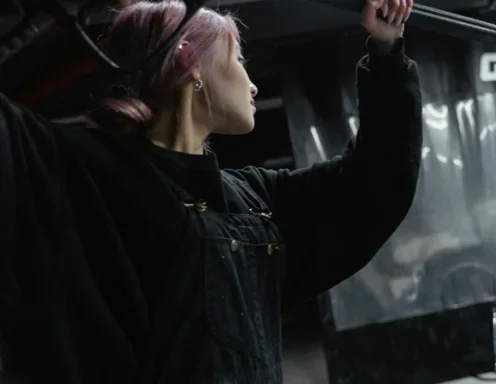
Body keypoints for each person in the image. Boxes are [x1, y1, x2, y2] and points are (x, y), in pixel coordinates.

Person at [0, 0, 421, 382]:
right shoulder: (75, 172)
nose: (252, 85)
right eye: (239, 59)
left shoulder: (254, 201)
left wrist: (387, 54)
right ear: (190, 57)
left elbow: (376, 182)